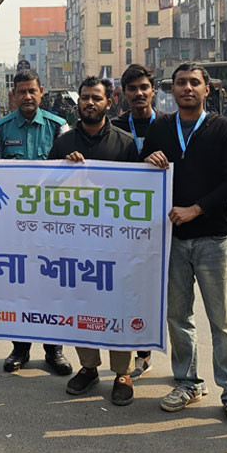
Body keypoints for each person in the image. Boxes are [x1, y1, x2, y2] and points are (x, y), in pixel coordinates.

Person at [141, 62, 227, 429]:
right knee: (178, 316)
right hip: (171, 240)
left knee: (223, 319)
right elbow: (142, 177)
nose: (186, 88)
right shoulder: (159, 128)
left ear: (208, 89)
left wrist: (196, 209)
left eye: (194, 83)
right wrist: (148, 160)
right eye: (180, 83)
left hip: (213, 237)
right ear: (171, 90)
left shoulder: (225, 128)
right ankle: (188, 382)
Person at [50, 76, 138, 406]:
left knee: (117, 305)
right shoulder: (64, 142)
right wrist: (62, 169)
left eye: (96, 98)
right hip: (75, 242)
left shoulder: (125, 143)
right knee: (81, 303)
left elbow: (138, 194)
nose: (89, 102)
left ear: (108, 102)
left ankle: (123, 372)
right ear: (79, 103)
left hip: (116, 243)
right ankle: (88, 367)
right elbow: (43, 186)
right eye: (85, 97)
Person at [0, 68, 73, 376]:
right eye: (21, 91)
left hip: (52, 223)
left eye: (32, 91)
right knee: (18, 286)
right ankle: (20, 347)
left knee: (51, 286)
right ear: (13, 95)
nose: (27, 96)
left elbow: (71, 174)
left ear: (42, 93)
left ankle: (54, 349)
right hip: (14, 225)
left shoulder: (58, 127)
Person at [112, 63, 168, 379]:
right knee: (127, 288)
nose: (139, 93)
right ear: (124, 93)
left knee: (155, 291)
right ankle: (134, 351)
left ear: (153, 90)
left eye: (144, 87)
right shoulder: (115, 126)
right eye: (132, 89)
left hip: (161, 222)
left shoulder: (168, 125)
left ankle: (146, 351)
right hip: (124, 223)